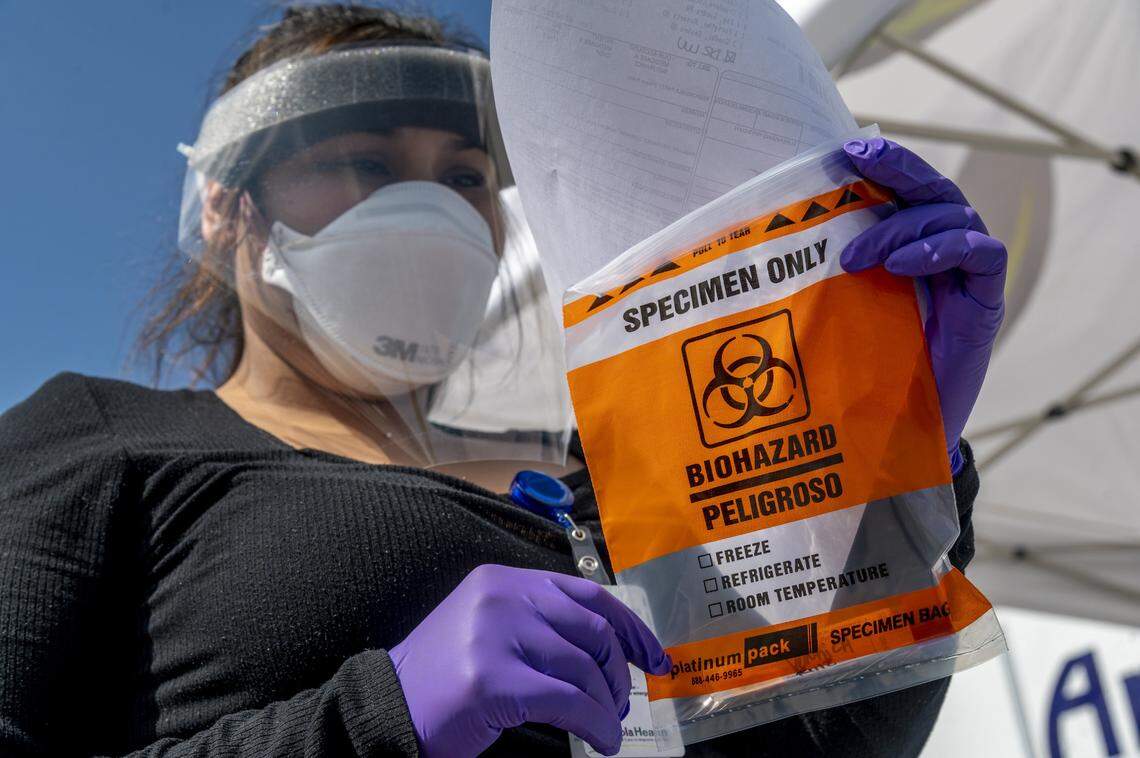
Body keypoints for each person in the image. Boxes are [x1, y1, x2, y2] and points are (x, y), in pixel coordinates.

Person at [0, 4, 1005, 757]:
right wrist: (379, 715)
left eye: (466, 176)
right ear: (228, 208)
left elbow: (798, 744)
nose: (429, 209)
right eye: (362, 158)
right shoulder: (101, 433)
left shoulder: (593, 487)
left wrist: (889, 460)